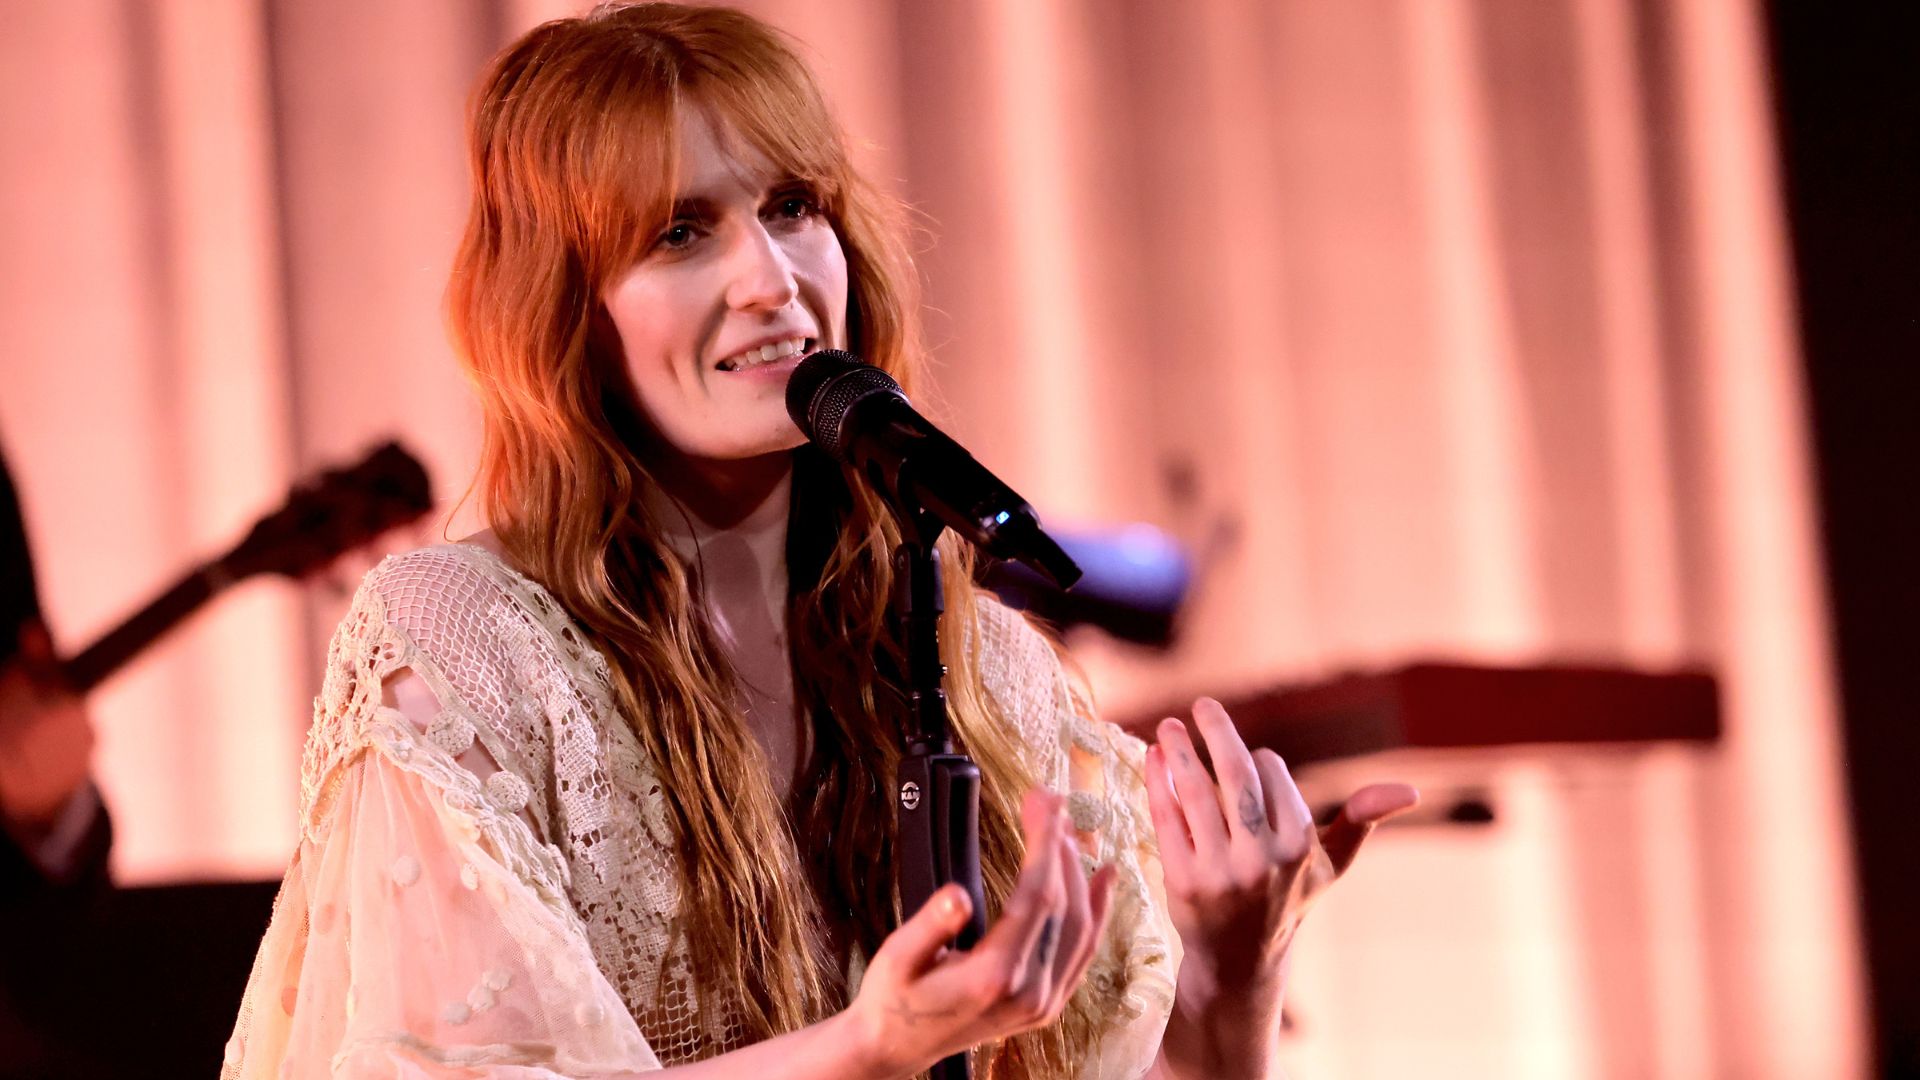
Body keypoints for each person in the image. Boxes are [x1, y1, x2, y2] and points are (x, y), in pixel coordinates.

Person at [222, 5, 1416, 1078]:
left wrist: (1231, 970)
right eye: (680, 233)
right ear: (564, 311)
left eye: (792, 208)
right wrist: (869, 1050)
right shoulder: (464, 645)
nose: (770, 278)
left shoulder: (983, 666)